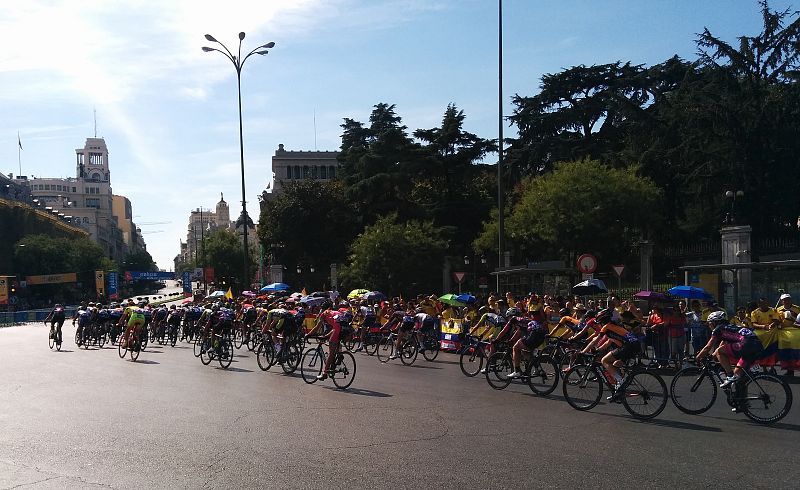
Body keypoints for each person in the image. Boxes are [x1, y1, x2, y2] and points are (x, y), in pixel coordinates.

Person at [695, 311, 764, 403]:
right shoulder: (729, 327)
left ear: (715, 322)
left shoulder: (718, 329)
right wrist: (712, 356)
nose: (709, 326)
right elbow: (721, 345)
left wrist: (698, 357)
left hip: (746, 344)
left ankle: (729, 376)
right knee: (738, 377)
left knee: (723, 356)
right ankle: (743, 403)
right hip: (756, 345)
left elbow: (708, 347)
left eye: (710, 323)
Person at [305, 301, 353, 380]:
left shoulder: (324, 313)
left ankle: (324, 373)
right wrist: (326, 336)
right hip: (346, 329)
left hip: (338, 328)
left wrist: (308, 334)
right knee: (334, 344)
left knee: (331, 352)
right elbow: (335, 327)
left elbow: (317, 327)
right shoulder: (335, 312)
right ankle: (338, 355)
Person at [775, 293, 799, 376]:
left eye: (788, 299)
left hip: (796, 331)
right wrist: (779, 325)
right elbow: (776, 321)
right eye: (784, 300)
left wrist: (792, 318)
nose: (786, 301)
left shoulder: (797, 309)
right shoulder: (778, 310)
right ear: (782, 301)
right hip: (783, 332)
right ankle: (789, 369)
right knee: (785, 349)